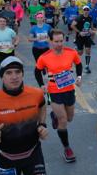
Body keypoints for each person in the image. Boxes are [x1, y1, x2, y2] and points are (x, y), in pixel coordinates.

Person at [34, 30, 83, 163]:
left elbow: (79, 64)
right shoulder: (44, 57)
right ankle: (67, 148)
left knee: (70, 118)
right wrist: (42, 85)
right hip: (54, 91)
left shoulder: (71, 52)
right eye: (56, 41)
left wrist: (79, 77)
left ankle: (55, 115)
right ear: (50, 41)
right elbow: (37, 71)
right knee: (63, 121)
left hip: (69, 90)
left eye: (61, 41)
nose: (59, 44)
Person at [71, 5, 95, 74]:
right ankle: (76, 50)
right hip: (80, 37)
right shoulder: (79, 17)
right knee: (80, 53)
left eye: (87, 10)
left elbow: (91, 26)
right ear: (83, 10)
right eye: (85, 10)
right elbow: (72, 25)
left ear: (89, 11)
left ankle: (87, 66)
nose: (86, 11)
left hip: (87, 37)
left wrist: (91, 31)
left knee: (88, 50)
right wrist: (79, 32)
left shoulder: (90, 18)